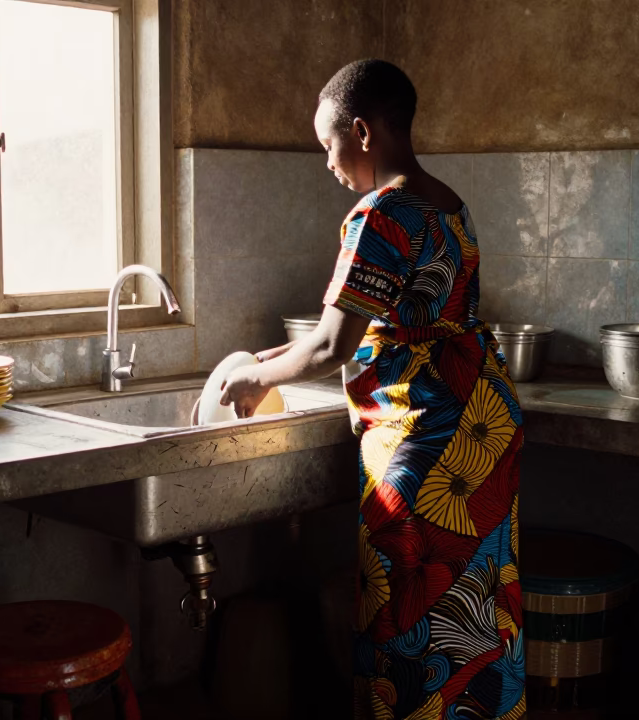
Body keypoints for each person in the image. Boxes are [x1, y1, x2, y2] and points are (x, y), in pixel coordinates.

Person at [219, 59, 526, 719]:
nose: (327, 163)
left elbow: (333, 343)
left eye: (328, 146)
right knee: (474, 600)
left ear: (360, 132)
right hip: (482, 421)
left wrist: (253, 375)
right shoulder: (447, 202)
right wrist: (281, 354)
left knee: (411, 611)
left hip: (425, 435)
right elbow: (407, 319)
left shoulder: (381, 214)